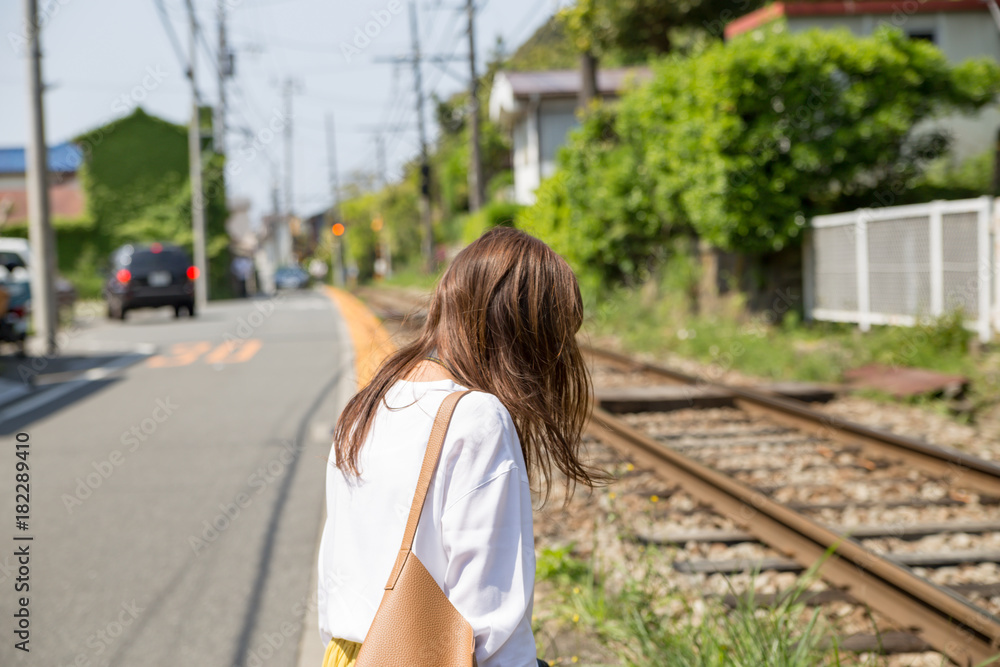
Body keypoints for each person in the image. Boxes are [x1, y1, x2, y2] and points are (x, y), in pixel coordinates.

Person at [317, 227, 605, 667]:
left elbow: (334, 574)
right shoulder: (477, 419)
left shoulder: (367, 404)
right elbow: (491, 627)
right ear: (522, 335)